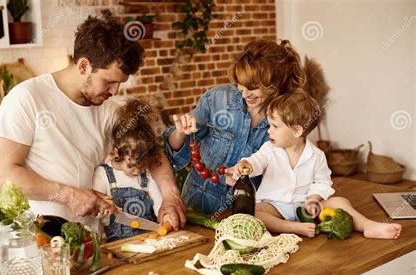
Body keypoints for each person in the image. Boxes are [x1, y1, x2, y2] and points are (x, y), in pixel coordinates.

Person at [0, 14, 186, 229]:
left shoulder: (109, 111)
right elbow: (2, 174)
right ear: (83, 66)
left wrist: (170, 196)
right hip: (38, 235)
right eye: (109, 81)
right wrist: (69, 195)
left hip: (89, 238)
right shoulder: (27, 98)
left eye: (119, 84)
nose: (115, 91)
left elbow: (151, 152)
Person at [233, 88, 402, 239]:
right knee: (254, 212)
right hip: (274, 206)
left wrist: (314, 197)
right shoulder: (269, 149)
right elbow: (258, 160)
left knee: (340, 202)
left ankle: (368, 225)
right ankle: (291, 228)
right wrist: (247, 164)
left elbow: (323, 181)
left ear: (297, 130)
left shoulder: (316, 155)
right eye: (269, 125)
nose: (269, 130)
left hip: (306, 206)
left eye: (275, 126)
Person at [163, 39, 306, 215]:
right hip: (194, 204)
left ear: (274, 85)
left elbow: (287, 175)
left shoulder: (284, 121)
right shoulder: (217, 99)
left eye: (253, 88)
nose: (245, 93)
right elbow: (176, 151)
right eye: (241, 83)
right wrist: (180, 132)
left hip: (245, 211)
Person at [93, 98, 165, 242]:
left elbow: (158, 202)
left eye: (142, 165)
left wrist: (164, 218)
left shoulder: (146, 175)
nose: (138, 171)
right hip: (118, 243)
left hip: (150, 238)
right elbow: (96, 210)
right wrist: (104, 208)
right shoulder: (103, 174)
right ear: (117, 153)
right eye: (131, 166)